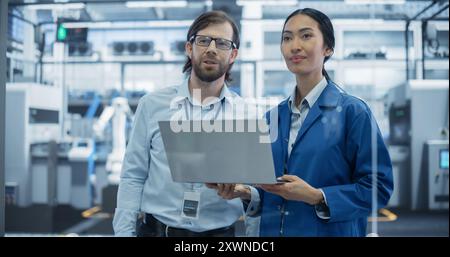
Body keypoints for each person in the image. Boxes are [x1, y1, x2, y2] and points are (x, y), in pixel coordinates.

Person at [212, 8, 393, 237]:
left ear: (328, 48)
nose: (294, 45)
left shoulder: (353, 112)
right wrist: (246, 192)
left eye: (306, 36)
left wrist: (317, 196)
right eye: (287, 38)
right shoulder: (271, 118)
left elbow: (379, 188)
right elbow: (275, 188)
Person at [113, 11, 253, 237]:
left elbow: (256, 189)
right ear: (190, 48)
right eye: (203, 40)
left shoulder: (247, 115)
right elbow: (133, 175)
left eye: (223, 43)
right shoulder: (152, 105)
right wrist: (124, 233)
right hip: (158, 231)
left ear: (233, 54)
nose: (212, 49)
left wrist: (241, 189)